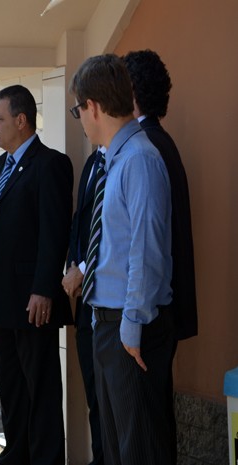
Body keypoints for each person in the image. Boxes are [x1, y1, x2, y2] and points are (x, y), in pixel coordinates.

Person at [69, 54, 174, 464]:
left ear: (92, 106)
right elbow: (113, 244)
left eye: (78, 108)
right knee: (117, 449)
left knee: (138, 450)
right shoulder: (116, 158)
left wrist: (130, 328)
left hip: (133, 330)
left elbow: (145, 254)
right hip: (110, 324)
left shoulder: (140, 160)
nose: (79, 117)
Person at [0, 84, 73, 464]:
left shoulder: (50, 165)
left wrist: (44, 289)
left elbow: (53, 234)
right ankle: (16, 456)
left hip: (33, 303)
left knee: (40, 389)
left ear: (21, 121)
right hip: (0, 298)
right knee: (11, 388)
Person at [123, 49, 197, 465]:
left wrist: (133, 323)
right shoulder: (157, 142)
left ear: (130, 91)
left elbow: (147, 246)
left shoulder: (145, 146)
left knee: (148, 433)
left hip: (149, 317)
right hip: (159, 313)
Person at [62, 146, 106, 465]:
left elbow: (114, 232)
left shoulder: (126, 160)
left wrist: (84, 269)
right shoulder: (92, 161)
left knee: (112, 400)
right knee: (94, 392)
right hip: (86, 303)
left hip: (113, 305)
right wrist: (71, 265)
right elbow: (82, 221)